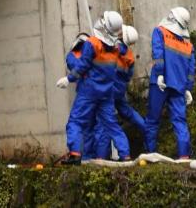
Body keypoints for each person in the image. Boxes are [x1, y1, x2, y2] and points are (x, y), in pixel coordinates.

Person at [57, 10, 125, 164]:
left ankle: (77, 155)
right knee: (106, 126)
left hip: (88, 93)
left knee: (79, 124)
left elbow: (79, 67)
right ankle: (121, 155)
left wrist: (69, 78)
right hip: (106, 93)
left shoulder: (87, 48)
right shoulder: (115, 48)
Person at [145, 6, 196, 159]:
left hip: (160, 84)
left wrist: (160, 74)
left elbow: (158, 53)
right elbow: (191, 69)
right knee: (180, 121)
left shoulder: (160, 32)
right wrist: (188, 88)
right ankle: (184, 156)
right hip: (179, 86)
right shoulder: (188, 44)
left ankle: (150, 155)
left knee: (153, 120)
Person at [93, 24, 148, 160]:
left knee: (105, 124)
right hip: (119, 91)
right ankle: (148, 131)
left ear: (122, 36)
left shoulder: (113, 49)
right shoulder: (129, 56)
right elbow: (128, 76)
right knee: (128, 113)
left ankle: (102, 158)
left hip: (109, 91)